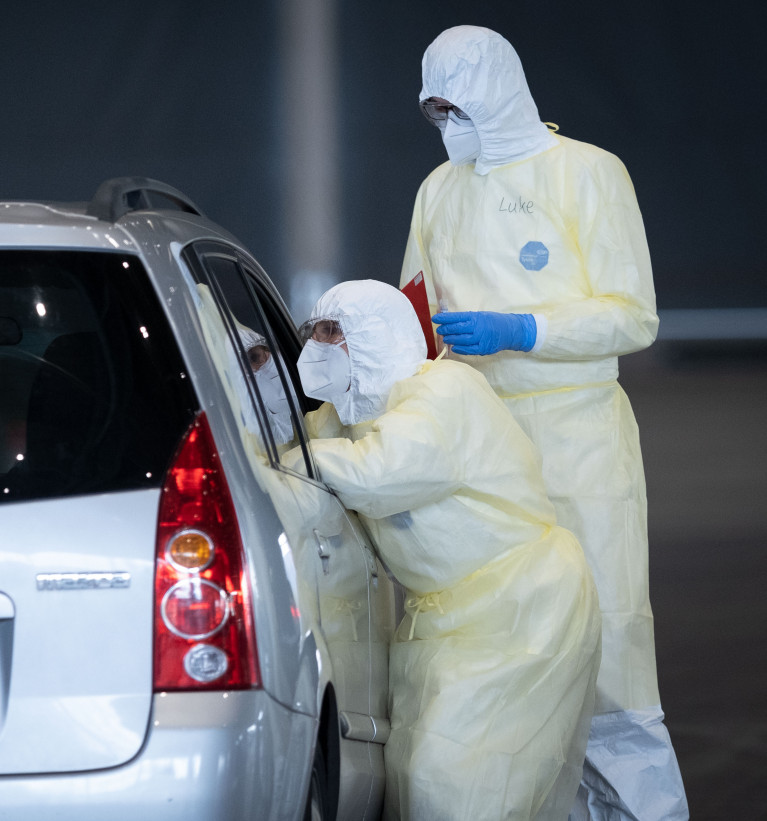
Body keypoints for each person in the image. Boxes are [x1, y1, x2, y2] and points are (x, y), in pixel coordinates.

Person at [401, 25, 688, 819]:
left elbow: (631, 316)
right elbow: (413, 307)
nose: (447, 125)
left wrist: (521, 330)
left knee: (606, 640)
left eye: (456, 106)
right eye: (434, 112)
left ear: (496, 90)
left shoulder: (588, 174)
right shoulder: (438, 190)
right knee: (512, 643)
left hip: (577, 434)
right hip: (483, 447)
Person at [294, 278, 600, 820]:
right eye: (313, 331)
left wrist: (279, 463)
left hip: (521, 608)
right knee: (418, 780)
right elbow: (297, 438)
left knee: (455, 784)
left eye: (331, 332)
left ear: (374, 337)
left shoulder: (444, 391)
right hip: (444, 620)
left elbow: (377, 474)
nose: (315, 346)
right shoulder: (342, 417)